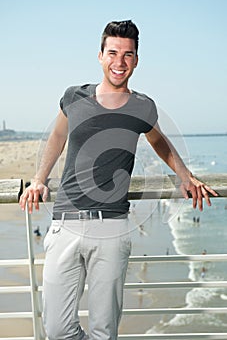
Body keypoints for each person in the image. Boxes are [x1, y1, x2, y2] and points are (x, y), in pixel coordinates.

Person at [19, 20, 218, 340]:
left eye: (128, 54)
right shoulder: (74, 96)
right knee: (56, 328)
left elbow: (160, 142)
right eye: (113, 52)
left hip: (112, 227)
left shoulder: (142, 106)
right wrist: (39, 179)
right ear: (100, 56)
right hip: (65, 222)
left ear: (136, 60)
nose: (120, 61)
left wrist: (186, 176)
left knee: (104, 330)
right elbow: (57, 137)